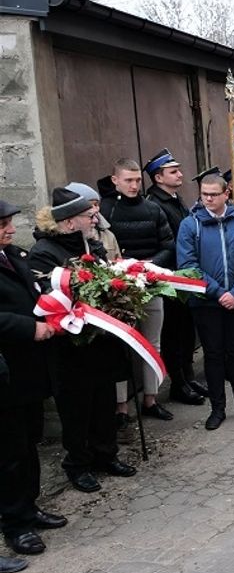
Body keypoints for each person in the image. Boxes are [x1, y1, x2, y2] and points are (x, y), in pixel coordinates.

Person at [29, 188, 137, 493]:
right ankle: (78, 464)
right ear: (68, 222)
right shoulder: (44, 252)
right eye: (88, 216)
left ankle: (106, 454)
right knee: (77, 409)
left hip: (98, 341)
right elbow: (50, 298)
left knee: (103, 400)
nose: (94, 219)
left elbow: (105, 278)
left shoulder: (90, 242)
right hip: (69, 347)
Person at [176, 173, 234, 431]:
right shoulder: (190, 225)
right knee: (214, 355)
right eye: (204, 194)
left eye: (213, 194)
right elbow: (188, 266)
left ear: (226, 194)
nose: (208, 199)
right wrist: (218, 293)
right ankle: (217, 409)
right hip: (207, 303)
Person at [0, 199, 66, 566]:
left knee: (28, 443)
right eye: (3, 224)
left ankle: (30, 506)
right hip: (6, 372)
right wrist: (31, 327)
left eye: (10, 222)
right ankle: (15, 522)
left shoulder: (14, 255)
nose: (10, 229)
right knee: (9, 453)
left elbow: (33, 294)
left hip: (28, 370)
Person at [101, 157, 176, 423]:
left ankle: (151, 399)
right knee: (121, 346)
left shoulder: (153, 209)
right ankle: (121, 405)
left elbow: (169, 244)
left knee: (152, 342)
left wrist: (150, 266)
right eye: (128, 180)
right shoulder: (105, 211)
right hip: (118, 289)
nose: (134, 185)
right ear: (115, 180)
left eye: (136, 180)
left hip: (150, 283)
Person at [142, 149, 207, 407]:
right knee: (173, 333)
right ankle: (178, 383)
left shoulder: (174, 198)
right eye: (173, 171)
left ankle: (188, 377)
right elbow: (167, 243)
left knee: (185, 330)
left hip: (183, 274)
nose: (180, 174)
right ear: (159, 178)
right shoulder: (155, 203)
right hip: (169, 277)